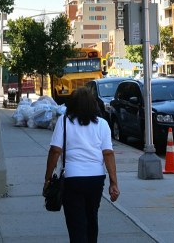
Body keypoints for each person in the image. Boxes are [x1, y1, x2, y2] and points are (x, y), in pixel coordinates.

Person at [44, 87, 119, 243]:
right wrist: (113, 182)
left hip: (72, 179)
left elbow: (55, 151)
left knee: (76, 223)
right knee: (92, 219)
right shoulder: (102, 124)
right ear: (93, 105)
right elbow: (108, 154)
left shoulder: (64, 121)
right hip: (96, 178)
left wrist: (48, 178)